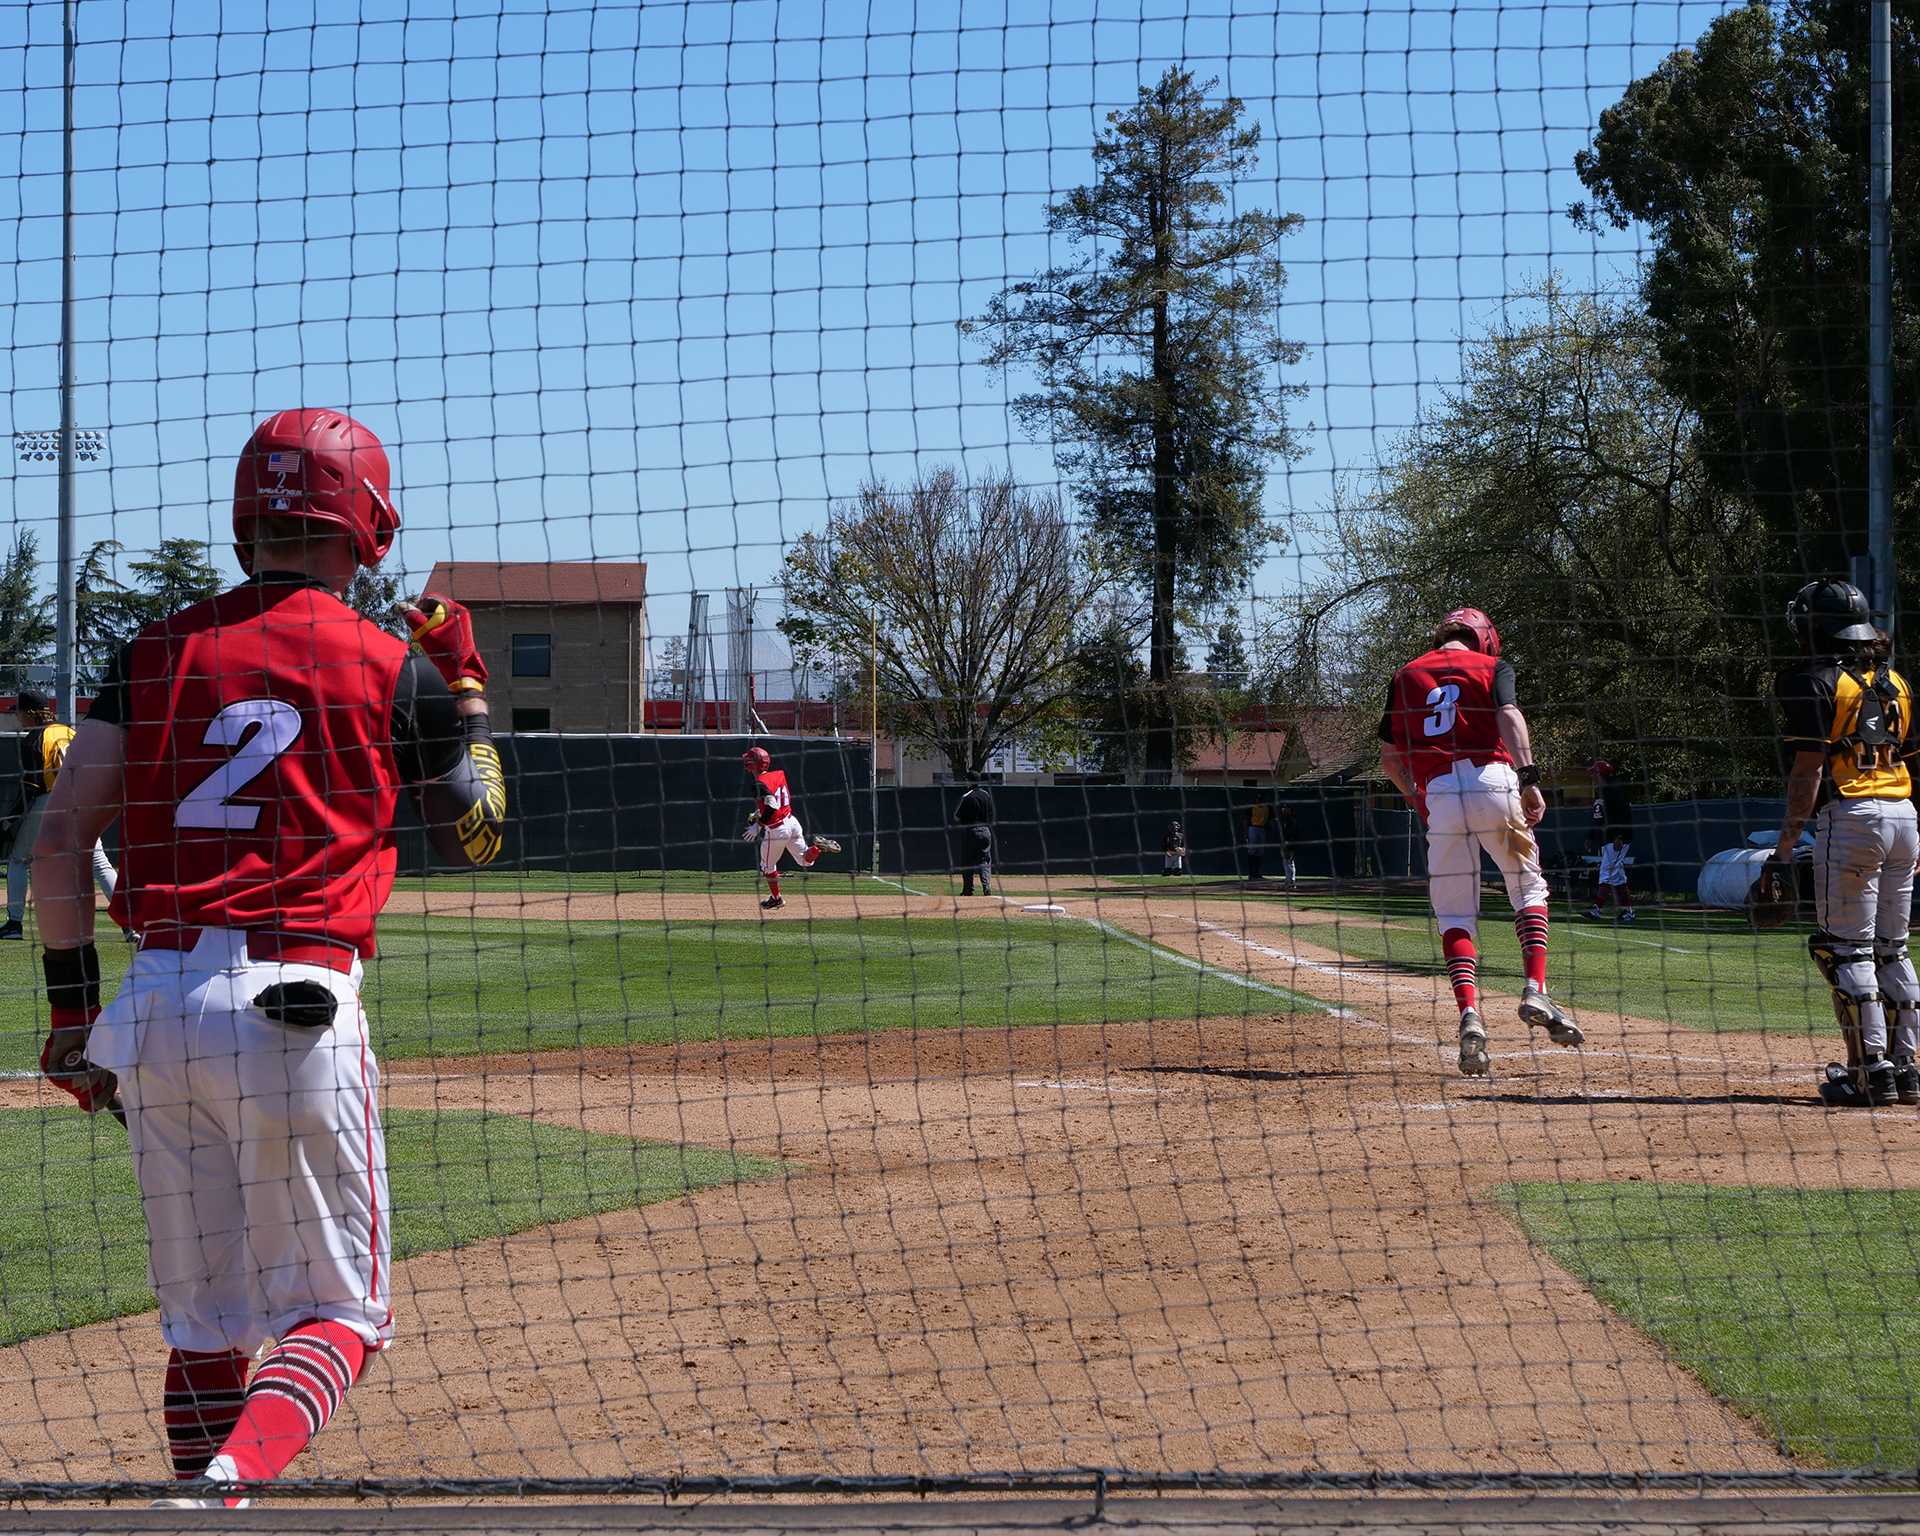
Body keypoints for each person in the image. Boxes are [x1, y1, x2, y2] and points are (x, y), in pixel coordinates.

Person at [31, 408, 510, 1509]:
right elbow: (475, 830)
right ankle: (220, 1492)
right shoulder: (395, 665)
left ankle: (201, 1496)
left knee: (203, 1325)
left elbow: (63, 846)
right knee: (338, 1316)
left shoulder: (151, 651)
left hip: (153, 1005)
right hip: (295, 1003)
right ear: (370, 522)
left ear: (249, 517)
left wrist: (71, 1016)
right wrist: (467, 690)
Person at [1377, 606, 1582, 1078]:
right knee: (1527, 889)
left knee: (1454, 912)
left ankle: (1470, 1016)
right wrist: (1530, 778)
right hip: (1493, 780)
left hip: (1441, 791)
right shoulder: (1493, 667)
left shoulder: (1406, 674)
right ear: (1484, 637)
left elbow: (1389, 757)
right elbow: (1508, 715)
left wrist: (1419, 800)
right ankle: (1534, 987)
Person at [1772, 580, 1920, 1108]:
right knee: (1892, 948)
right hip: (1904, 816)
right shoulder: (1896, 682)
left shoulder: (1809, 679)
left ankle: (1870, 1071)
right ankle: (1907, 1071)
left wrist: (1784, 848)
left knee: (1844, 949)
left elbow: (1808, 769)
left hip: (1852, 817)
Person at [0, 686, 117, 940]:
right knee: (99, 863)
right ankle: (131, 923)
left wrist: (11, 819)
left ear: (30, 712)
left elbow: (29, 787)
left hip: (49, 800)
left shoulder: (35, 738)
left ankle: (14, 925)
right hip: (83, 801)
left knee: (19, 860)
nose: (18, 716)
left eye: (18, 711)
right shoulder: (71, 732)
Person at [742, 745, 840, 910]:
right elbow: (775, 802)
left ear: (754, 764)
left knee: (767, 867)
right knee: (805, 861)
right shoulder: (778, 774)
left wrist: (758, 825)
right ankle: (817, 848)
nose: (746, 762)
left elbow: (772, 805)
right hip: (792, 822)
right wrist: (759, 812)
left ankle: (776, 898)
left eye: (749, 760)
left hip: (777, 829)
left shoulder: (758, 784)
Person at [953, 782, 995, 897]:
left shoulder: (967, 796)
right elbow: (991, 814)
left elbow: (957, 816)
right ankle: (986, 887)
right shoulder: (986, 795)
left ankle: (968, 889)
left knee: (967, 861)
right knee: (984, 860)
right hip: (985, 830)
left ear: (969, 781)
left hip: (970, 830)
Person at [1588, 833, 1635, 923]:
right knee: (1619, 879)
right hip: (1608, 840)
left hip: (1614, 841)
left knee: (1607, 874)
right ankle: (1629, 912)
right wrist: (1590, 837)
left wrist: (1619, 838)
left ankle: (1596, 908)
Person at [1275, 803, 1299, 889]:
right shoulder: (1282, 820)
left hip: (1291, 844)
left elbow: (1295, 833)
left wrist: (1290, 841)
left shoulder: (1292, 820)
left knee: (1289, 862)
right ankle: (1288, 880)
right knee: (1285, 861)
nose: (1284, 810)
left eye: (1286, 808)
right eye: (1283, 808)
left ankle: (1292, 881)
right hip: (1283, 843)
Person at [1244, 804, 1269, 881]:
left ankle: (1257, 874)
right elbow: (1245, 820)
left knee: (1260, 852)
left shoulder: (1267, 808)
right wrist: (1245, 833)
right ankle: (1251, 874)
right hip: (1253, 828)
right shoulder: (1252, 807)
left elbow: (1270, 820)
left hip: (1262, 829)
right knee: (1252, 851)